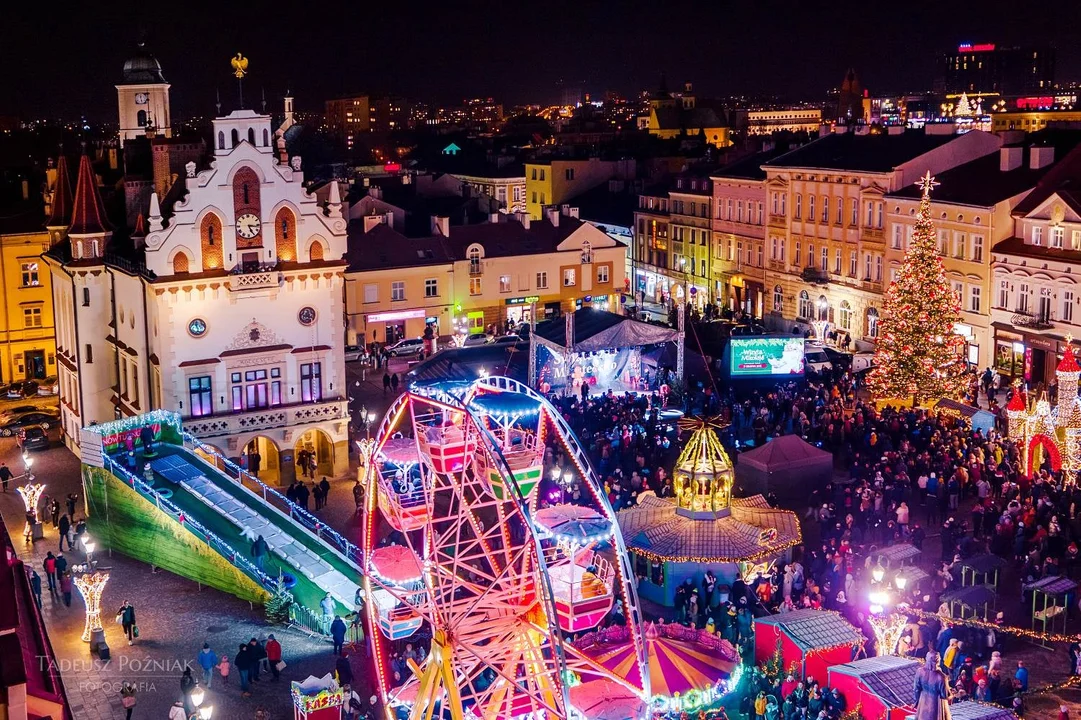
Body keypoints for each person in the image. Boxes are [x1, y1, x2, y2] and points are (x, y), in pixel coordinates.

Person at [913, 651, 950, 720]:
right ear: (938, 660)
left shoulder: (920, 671)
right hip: (936, 704)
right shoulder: (941, 677)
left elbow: (916, 689)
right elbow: (945, 695)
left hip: (923, 702)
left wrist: (916, 701)